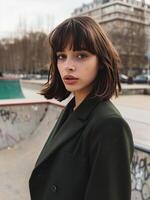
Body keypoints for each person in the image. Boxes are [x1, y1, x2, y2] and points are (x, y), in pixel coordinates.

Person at [29, 16, 134, 200]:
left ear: (101, 61)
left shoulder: (109, 126)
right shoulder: (72, 109)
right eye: (61, 56)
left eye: (81, 55)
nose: (68, 66)